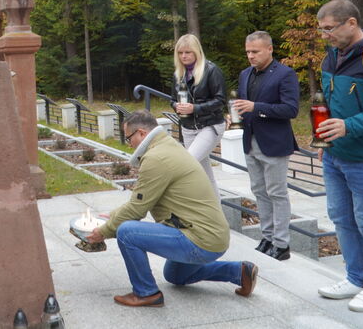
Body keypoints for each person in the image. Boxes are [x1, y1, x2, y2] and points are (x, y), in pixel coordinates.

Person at [86, 110, 257, 308]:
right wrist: (113, 215)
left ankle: (146, 293)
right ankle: (239, 272)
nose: (129, 143)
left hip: (199, 238)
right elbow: (140, 201)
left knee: (126, 232)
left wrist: (104, 231)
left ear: (141, 133)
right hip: (213, 236)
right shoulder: (168, 146)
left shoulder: (156, 158)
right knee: (174, 275)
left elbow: (137, 209)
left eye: (128, 138)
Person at [314, 0, 363, 313]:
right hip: (334, 156)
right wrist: (321, 137)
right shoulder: (331, 57)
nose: (324, 35)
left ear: (351, 23)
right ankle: (355, 277)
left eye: (329, 28)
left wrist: (348, 126)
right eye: (321, 29)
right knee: (342, 219)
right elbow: (329, 105)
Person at [233, 31, 299, 261]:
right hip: (250, 141)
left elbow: (291, 109)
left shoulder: (285, 74)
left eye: (255, 52)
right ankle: (267, 237)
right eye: (248, 52)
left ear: (270, 49)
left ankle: (281, 244)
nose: (250, 56)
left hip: (274, 142)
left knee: (277, 193)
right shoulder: (244, 74)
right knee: (259, 192)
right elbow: (244, 105)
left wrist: (256, 106)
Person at [170, 34, 227, 198]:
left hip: (210, 126)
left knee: (188, 163)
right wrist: (177, 106)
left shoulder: (211, 70)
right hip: (188, 127)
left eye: (188, 52)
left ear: (196, 52)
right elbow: (172, 100)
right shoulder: (178, 74)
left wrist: (195, 108)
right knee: (204, 175)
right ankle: (217, 217)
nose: (184, 56)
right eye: (180, 53)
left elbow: (220, 100)